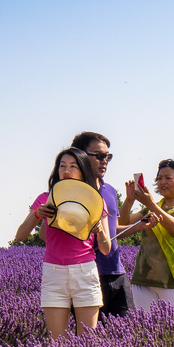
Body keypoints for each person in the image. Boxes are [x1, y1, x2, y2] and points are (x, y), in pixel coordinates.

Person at [13, 148, 111, 339]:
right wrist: (36, 215)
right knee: (58, 344)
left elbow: (106, 249)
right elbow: (20, 236)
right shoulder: (45, 198)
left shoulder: (96, 201)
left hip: (85, 272)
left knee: (87, 342)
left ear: (83, 171)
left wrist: (99, 231)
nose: (66, 170)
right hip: (54, 273)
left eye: (73, 166)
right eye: (62, 166)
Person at [121, 160, 174, 312]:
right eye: (159, 178)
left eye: (168, 178)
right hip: (143, 279)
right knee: (143, 329)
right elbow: (123, 225)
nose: (162, 182)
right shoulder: (150, 208)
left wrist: (151, 204)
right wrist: (129, 200)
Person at [72, 131, 129, 317]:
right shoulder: (70, 192)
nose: (104, 160)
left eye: (108, 156)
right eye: (98, 155)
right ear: (80, 156)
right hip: (86, 274)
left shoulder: (110, 191)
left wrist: (139, 227)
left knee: (129, 333)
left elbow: (112, 230)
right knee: (90, 337)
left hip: (117, 271)